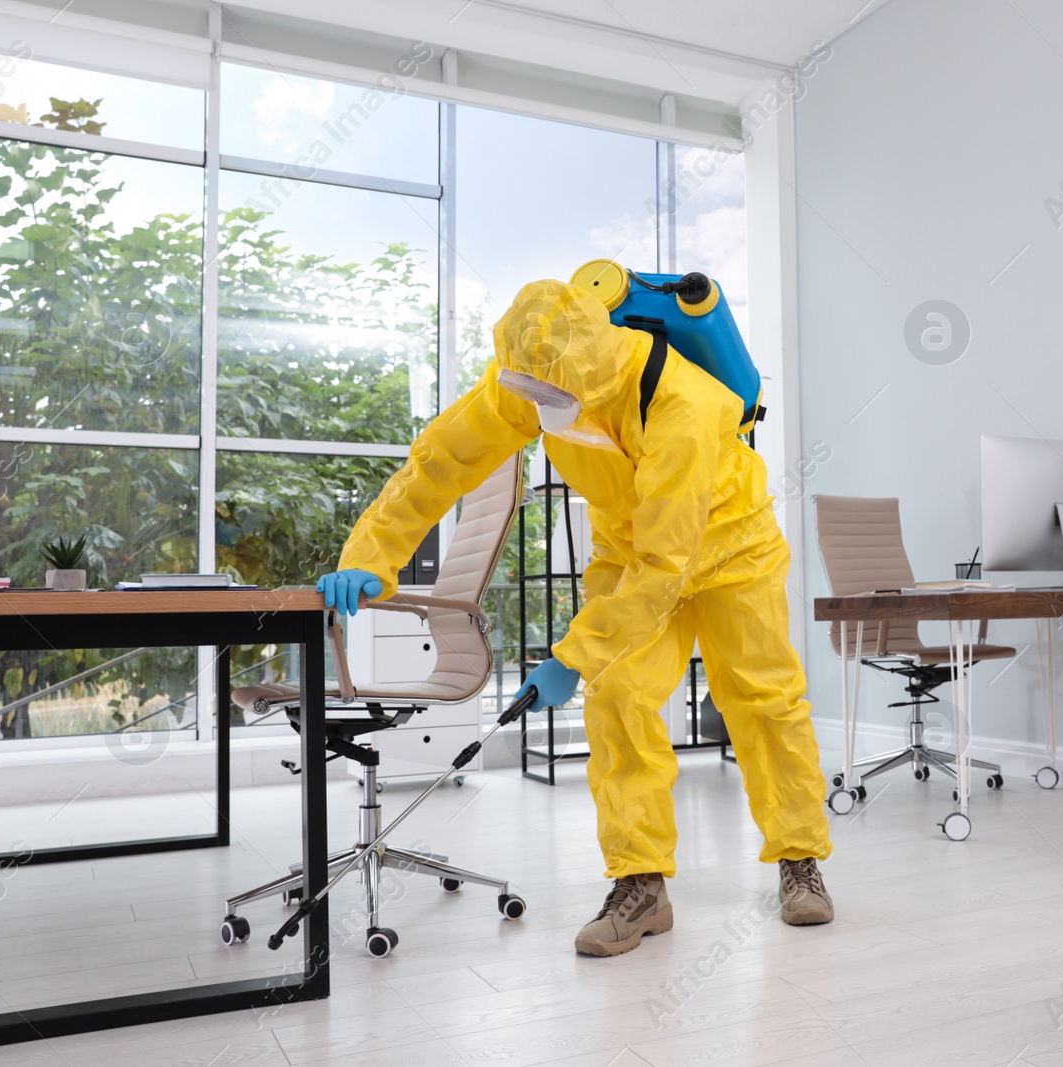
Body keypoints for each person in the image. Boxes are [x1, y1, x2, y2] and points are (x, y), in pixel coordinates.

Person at [317, 278, 834, 957]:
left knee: (763, 697)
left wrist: (573, 652)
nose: (533, 412)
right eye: (525, 395)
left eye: (547, 401)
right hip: (628, 550)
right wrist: (372, 552)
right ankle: (640, 884)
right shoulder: (535, 375)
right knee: (618, 696)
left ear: (594, 380)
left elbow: (665, 568)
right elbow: (442, 459)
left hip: (731, 546)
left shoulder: (687, 408)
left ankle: (799, 860)